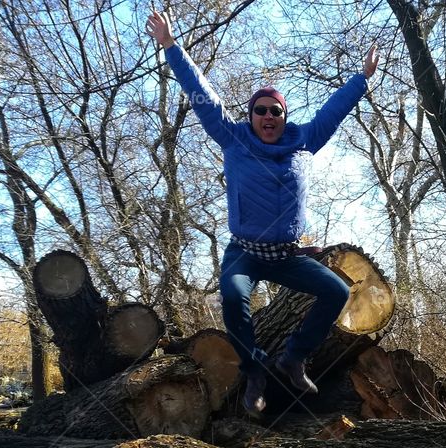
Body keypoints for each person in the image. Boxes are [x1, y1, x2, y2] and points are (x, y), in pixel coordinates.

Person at [145, 10, 379, 414]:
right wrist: (171, 46)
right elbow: (201, 93)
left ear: (284, 117)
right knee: (233, 298)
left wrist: (362, 79)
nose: (268, 117)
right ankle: (254, 370)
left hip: (288, 254)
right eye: (261, 110)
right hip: (245, 253)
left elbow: (333, 110)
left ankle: (293, 358)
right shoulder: (231, 136)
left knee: (336, 291)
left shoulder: (305, 140)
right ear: (250, 115)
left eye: (276, 111)